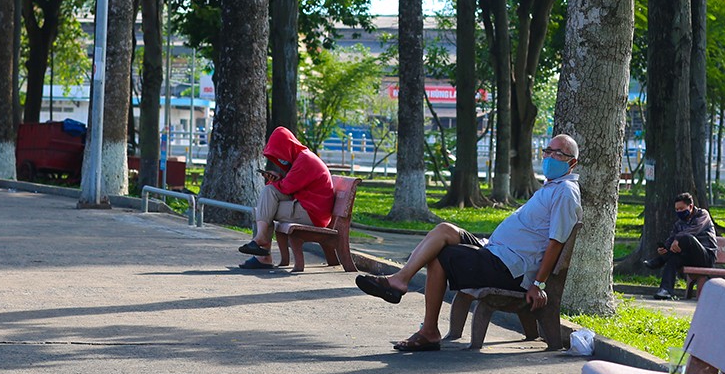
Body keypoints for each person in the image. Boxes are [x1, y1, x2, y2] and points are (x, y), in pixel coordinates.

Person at [353, 133, 582, 351]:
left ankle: (429, 331)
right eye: (547, 151)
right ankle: (400, 280)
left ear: (571, 163)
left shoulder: (565, 192)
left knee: (442, 255)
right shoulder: (552, 187)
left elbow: (556, 242)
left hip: (511, 268)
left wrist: (538, 285)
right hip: (495, 252)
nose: (550, 157)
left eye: (558, 154)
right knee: (445, 230)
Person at [236, 127, 336, 269]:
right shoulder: (301, 158)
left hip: (313, 213)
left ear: (288, 147)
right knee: (268, 193)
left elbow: (287, 188)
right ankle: (262, 245)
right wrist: (277, 179)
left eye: (280, 153)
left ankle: (262, 249)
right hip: (306, 207)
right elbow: (289, 186)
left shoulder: (305, 160)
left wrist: (277, 181)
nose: (280, 159)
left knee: (267, 207)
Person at [646, 192, 717, 300]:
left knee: (687, 237)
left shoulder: (702, 215)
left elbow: (695, 229)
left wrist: (678, 239)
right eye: (677, 210)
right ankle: (665, 290)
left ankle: (659, 261)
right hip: (689, 258)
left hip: (705, 257)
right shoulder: (679, 224)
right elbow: (671, 238)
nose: (679, 211)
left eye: (681, 208)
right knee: (673, 259)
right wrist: (664, 248)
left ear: (691, 206)